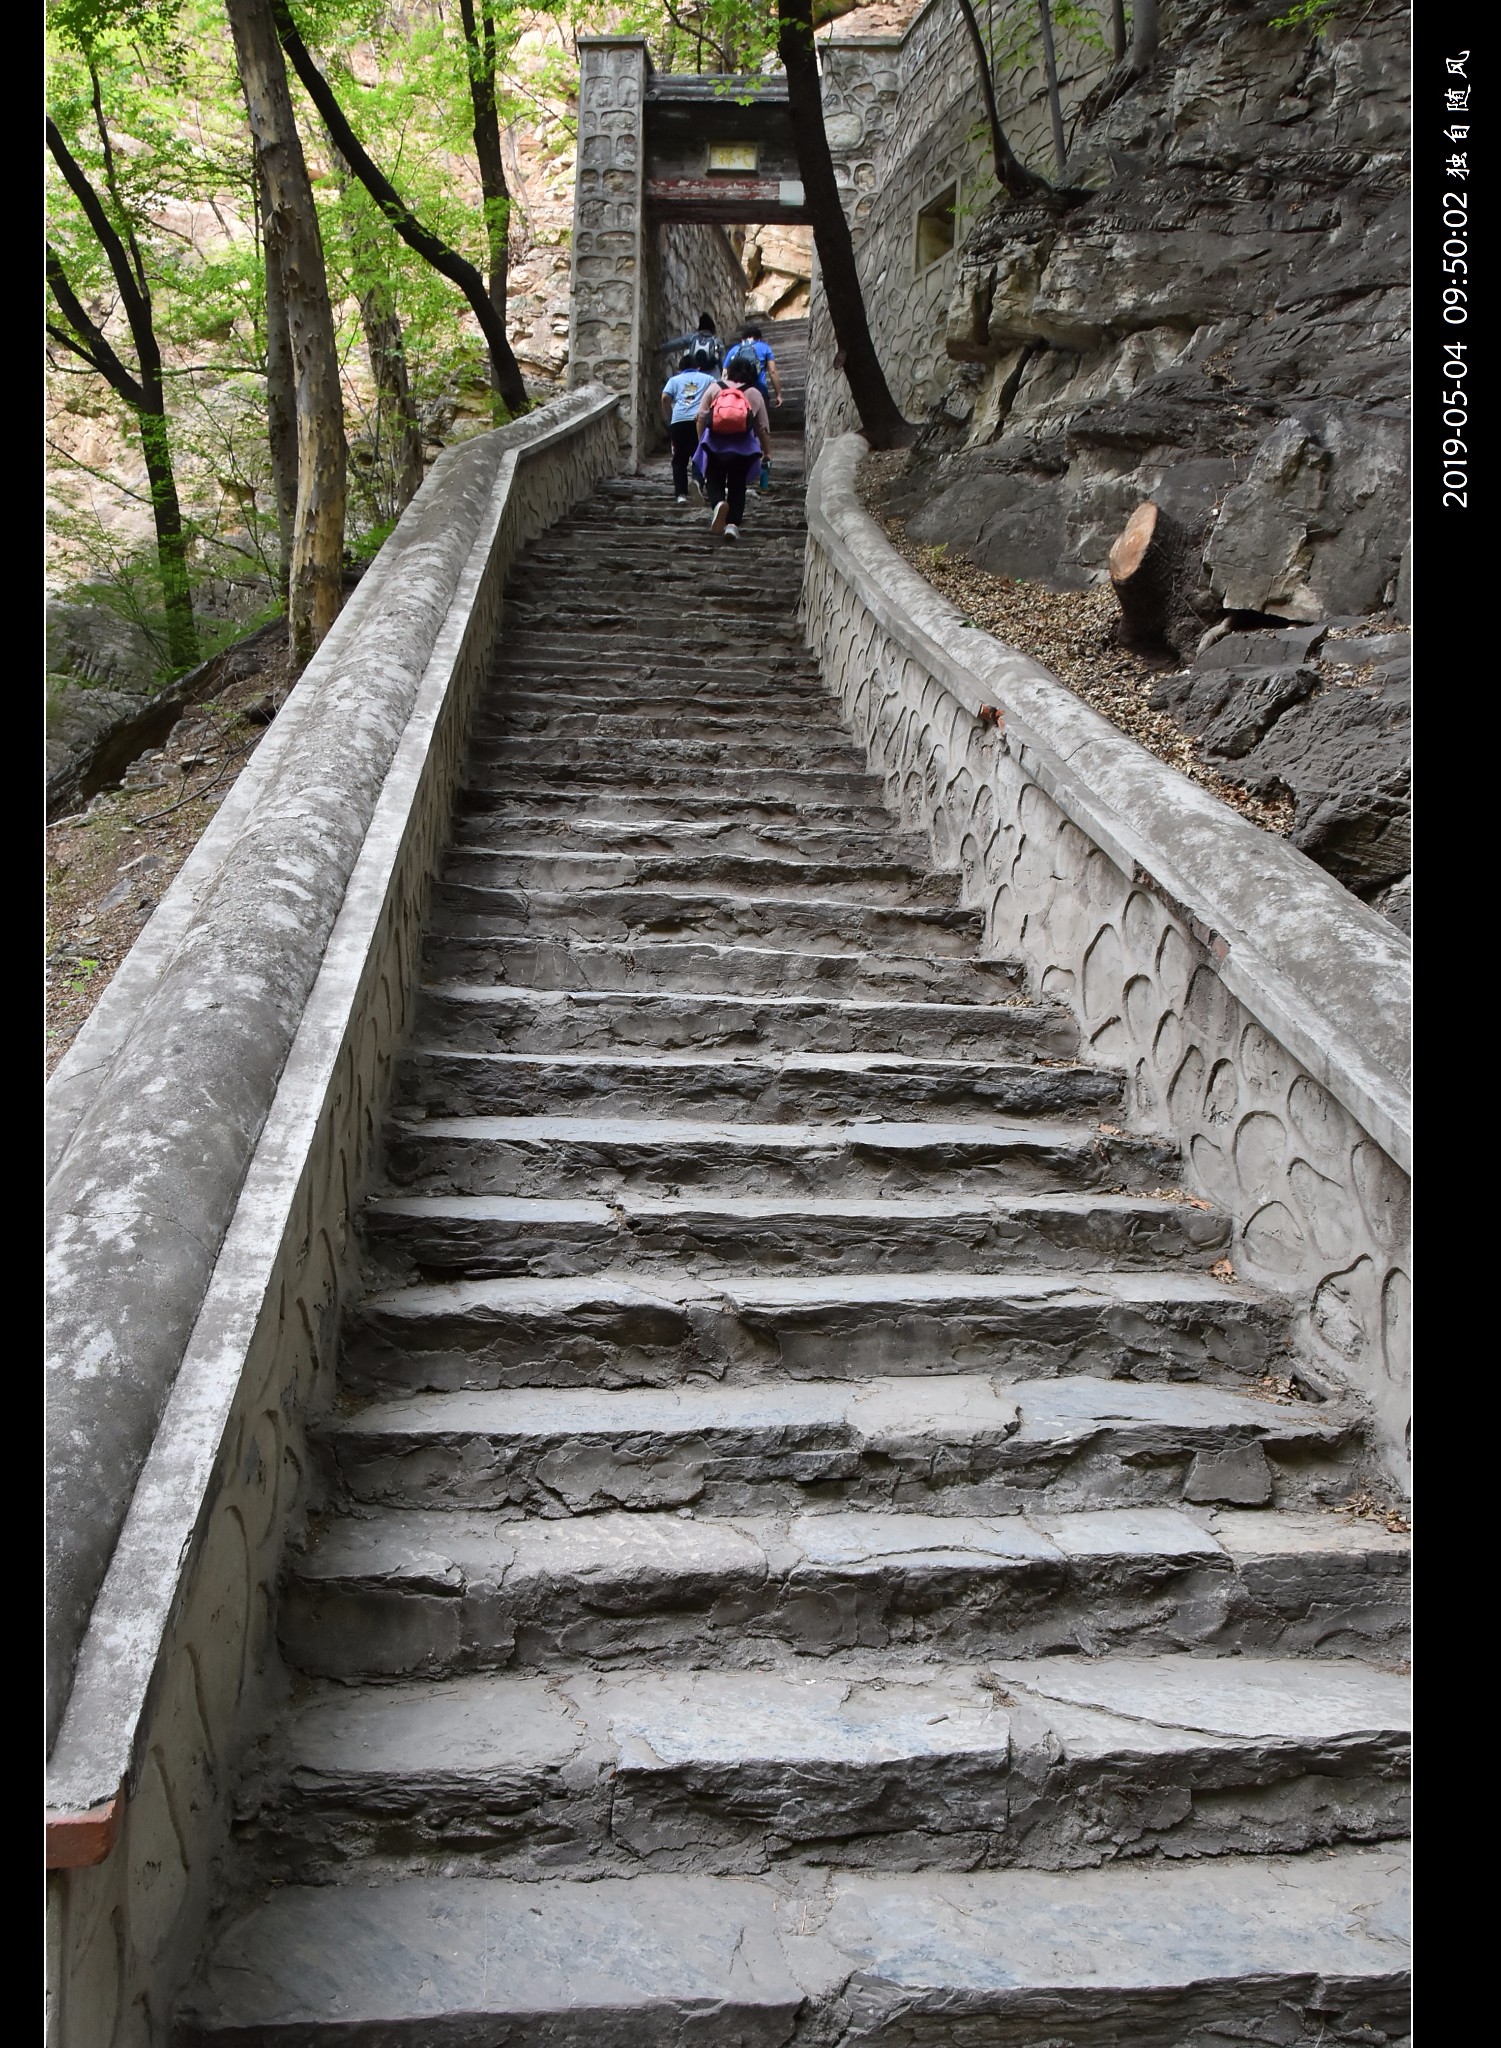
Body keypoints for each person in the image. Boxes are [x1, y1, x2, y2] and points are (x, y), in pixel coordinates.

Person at [693, 351, 770, 542]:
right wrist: (767, 452)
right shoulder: (754, 393)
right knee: (737, 487)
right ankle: (733, 525)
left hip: (714, 444)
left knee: (714, 481)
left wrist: (701, 440)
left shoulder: (714, 388)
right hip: (743, 449)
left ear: (729, 371)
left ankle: (718, 503)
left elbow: (700, 416)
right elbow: (762, 427)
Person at [723, 326, 781, 492]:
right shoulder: (764, 348)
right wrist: (779, 394)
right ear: (759, 338)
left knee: (737, 427)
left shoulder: (735, 349)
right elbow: (772, 371)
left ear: (743, 337)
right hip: (758, 391)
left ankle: (733, 468)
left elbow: (724, 373)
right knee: (758, 428)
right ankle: (754, 467)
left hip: (734, 392)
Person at [660, 349, 718, 505]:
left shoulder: (674, 380)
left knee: (679, 459)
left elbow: (665, 397)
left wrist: (670, 416)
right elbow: (718, 393)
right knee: (699, 453)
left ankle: (681, 495)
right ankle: (698, 482)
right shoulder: (707, 378)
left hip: (678, 421)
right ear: (698, 367)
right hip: (698, 420)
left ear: (680, 369)